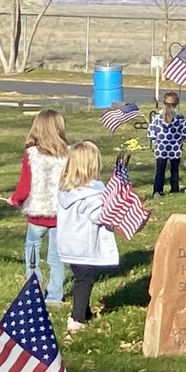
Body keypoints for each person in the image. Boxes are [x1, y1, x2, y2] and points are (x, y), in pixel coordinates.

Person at [56, 141, 119, 334]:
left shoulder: (66, 189)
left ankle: (84, 310)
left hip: (69, 245)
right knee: (85, 280)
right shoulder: (91, 193)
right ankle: (77, 319)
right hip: (84, 245)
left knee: (81, 277)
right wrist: (113, 210)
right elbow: (98, 216)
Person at [7, 109, 69, 304]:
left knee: (32, 251)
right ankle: (55, 296)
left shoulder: (31, 155)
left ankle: (33, 291)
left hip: (37, 215)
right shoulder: (69, 154)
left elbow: (24, 186)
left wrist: (15, 199)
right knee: (57, 258)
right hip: (60, 214)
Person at [147, 91, 186, 198]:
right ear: (177, 103)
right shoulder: (180, 118)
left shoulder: (157, 117)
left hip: (161, 149)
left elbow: (151, 132)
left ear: (164, 102)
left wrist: (154, 142)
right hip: (175, 149)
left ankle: (157, 191)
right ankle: (174, 189)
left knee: (160, 171)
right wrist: (183, 139)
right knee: (174, 170)